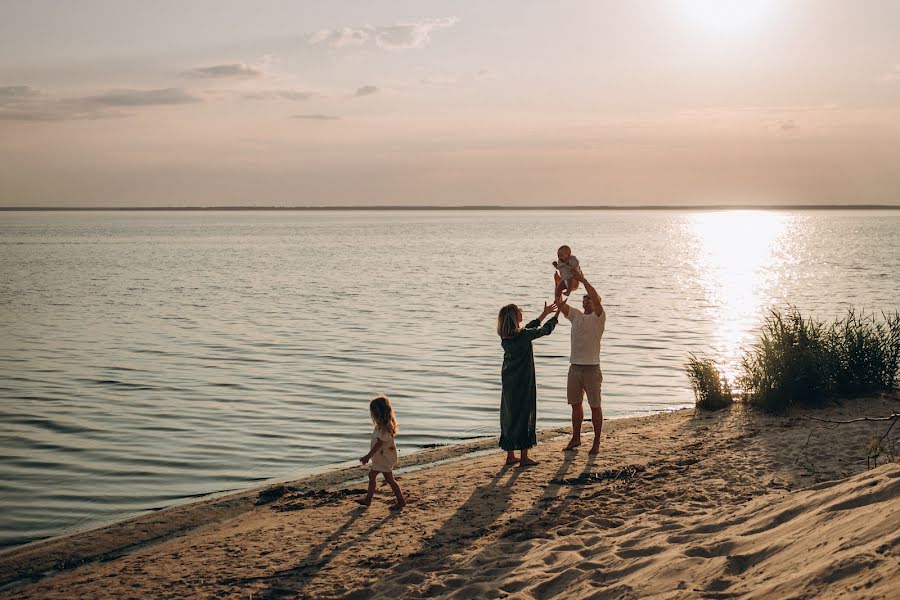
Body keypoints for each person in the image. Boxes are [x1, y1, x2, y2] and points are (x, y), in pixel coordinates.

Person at [497, 300, 560, 466]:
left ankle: (510, 454)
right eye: (519, 310)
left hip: (509, 382)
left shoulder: (506, 337)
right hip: (523, 381)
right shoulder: (523, 336)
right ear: (514, 317)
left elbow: (529, 328)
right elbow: (544, 331)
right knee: (525, 413)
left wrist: (544, 314)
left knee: (510, 414)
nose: (521, 311)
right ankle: (524, 457)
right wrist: (556, 315)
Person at [558, 271, 606, 454]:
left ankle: (596, 441)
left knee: (595, 405)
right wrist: (559, 284)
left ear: (596, 303)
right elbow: (560, 303)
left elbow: (595, 297)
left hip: (592, 369)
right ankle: (576, 438)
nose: (587, 300)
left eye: (590, 299)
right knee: (575, 405)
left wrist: (583, 280)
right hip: (575, 367)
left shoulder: (598, 318)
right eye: (584, 299)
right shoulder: (576, 316)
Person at [359, 395, 406, 509]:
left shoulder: (385, 428)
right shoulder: (380, 426)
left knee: (389, 479)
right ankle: (368, 499)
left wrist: (368, 456)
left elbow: (378, 445)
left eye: (373, 413)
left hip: (384, 458)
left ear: (378, 413)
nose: (372, 416)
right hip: (381, 457)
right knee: (373, 475)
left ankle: (401, 501)